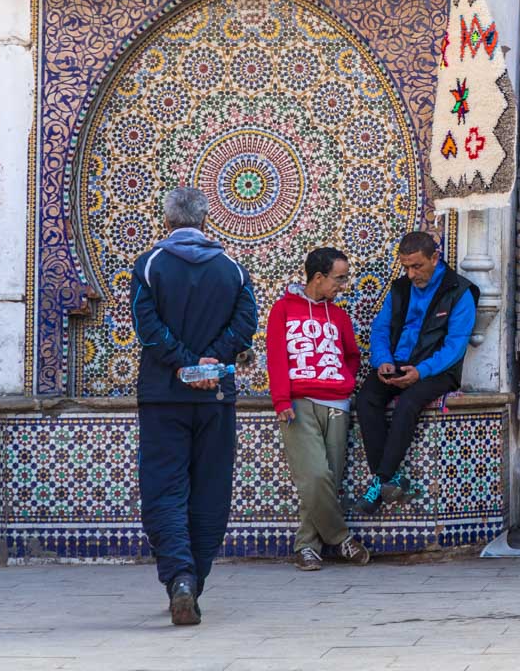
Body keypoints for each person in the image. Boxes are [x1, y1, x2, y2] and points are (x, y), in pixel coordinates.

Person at [131, 186, 258, 627]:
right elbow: (246, 326)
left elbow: (148, 330)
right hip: (216, 397)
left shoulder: (149, 266)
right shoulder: (233, 269)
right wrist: (212, 361)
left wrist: (186, 364)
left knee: (164, 490)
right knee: (210, 490)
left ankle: (180, 578)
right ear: (205, 222)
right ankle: (194, 582)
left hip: (163, 397)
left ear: (167, 222)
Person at [265, 246, 372, 571]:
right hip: (298, 403)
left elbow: (352, 355)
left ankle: (307, 547)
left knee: (329, 479)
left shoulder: (338, 315)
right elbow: (276, 356)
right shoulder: (282, 309)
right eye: (338, 279)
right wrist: (281, 399)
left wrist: (346, 380)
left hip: (337, 403)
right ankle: (341, 540)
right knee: (314, 476)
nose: (343, 285)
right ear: (318, 277)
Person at [354, 231, 477, 511]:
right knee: (367, 398)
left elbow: (455, 347)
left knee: (409, 402)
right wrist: (383, 360)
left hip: (436, 371)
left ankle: (380, 481)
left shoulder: (460, 291)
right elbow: (381, 328)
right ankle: (391, 480)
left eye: (417, 266)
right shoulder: (399, 289)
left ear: (435, 258)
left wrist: (420, 371)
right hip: (398, 363)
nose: (410, 274)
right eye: (405, 267)